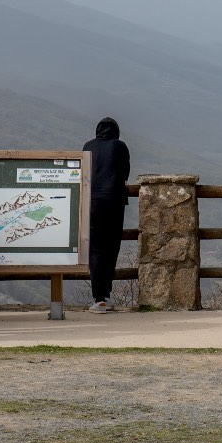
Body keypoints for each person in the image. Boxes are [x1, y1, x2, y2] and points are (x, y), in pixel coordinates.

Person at [82, 117, 132, 314]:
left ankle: (98, 298)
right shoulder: (120, 147)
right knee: (112, 248)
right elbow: (125, 173)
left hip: (92, 203)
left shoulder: (88, 146)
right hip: (114, 203)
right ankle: (107, 295)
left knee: (95, 249)